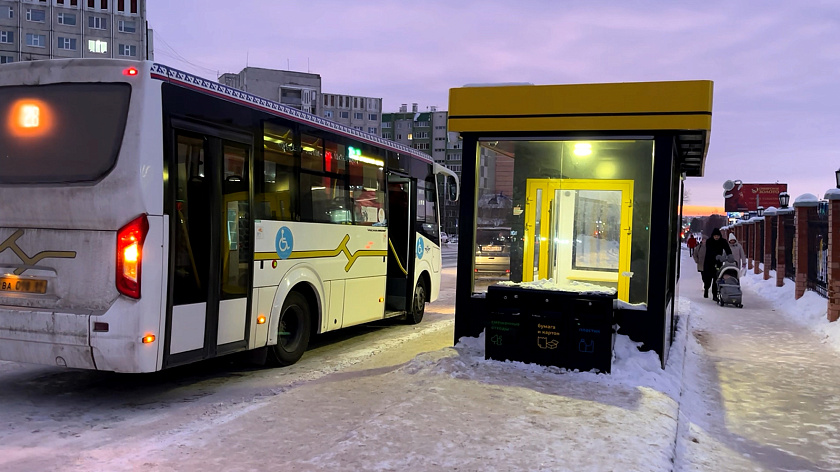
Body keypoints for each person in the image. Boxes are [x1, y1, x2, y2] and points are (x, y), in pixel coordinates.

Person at [697, 228, 732, 301]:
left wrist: (729, 255)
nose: (716, 237)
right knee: (708, 279)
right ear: (713, 236)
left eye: (718, 236)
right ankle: (706, 289)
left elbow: (727, 248)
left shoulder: (723, 241)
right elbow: (710, 251)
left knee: (716, 279)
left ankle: (715, 295)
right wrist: (716, 256)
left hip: (718, 263)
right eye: (715, 236)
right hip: (709, 262)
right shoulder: (709, 241)